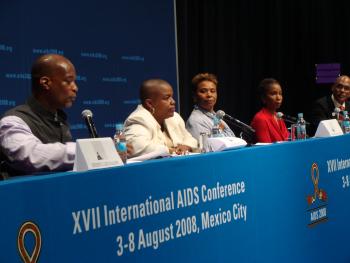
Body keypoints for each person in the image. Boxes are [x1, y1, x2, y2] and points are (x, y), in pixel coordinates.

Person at [0, 54, 78, 178]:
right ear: (45, 83)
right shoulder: (13, 121)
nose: (75, 88)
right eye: (68, 81)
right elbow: (30, 155)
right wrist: (84, 151)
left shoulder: (59, 120)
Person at [124, 79, 197, 157]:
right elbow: (137, 147)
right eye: (166, 98)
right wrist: (171, 150)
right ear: (149, 103)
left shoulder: (174, 118)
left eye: (172, 97)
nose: (173, 102)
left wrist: (186, 146)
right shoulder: (138, 119)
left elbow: (190, 139)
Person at [186, 73, 235, 140]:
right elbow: (205, 148)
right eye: (203, 91)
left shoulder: (216, 117)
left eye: (212, 91)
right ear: (194, 96)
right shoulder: (195, 120)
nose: (209, 95)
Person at [250, 78, 289, 143]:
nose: (278, 98)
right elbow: (266, 149)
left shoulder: (279, 117)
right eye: (273, 94)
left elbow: (287, 140)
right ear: (263, 98)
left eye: (280, 93)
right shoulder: (261, 119)